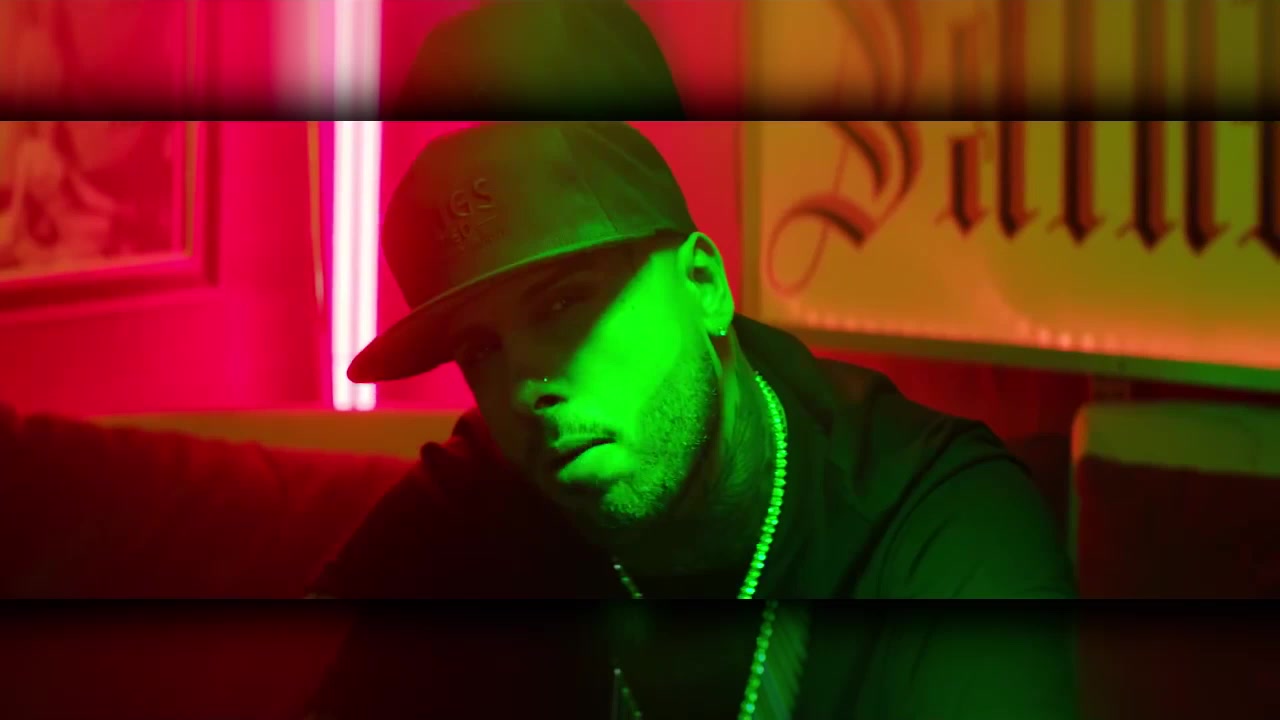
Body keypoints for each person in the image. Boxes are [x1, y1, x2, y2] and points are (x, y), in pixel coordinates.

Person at [298, 119, 1078, 719]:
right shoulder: (475, 500)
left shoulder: (936, 519)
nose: (526, 385)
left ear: (704, 286)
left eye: (564, 304)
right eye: (480, 349)